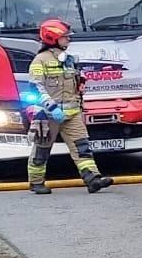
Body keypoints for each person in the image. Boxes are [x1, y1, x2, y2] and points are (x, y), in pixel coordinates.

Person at [26, 19, 113, 195]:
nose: (69, 40)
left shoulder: (69, 60)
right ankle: (36, 182)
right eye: (65, 37)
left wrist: (80, 86)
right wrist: (51, 108)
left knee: (82, 147)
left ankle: (93, 179)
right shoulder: (39, 61)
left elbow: (74, 85)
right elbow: (35, 87)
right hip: (47, 115)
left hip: (72, 114)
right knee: (41, 150)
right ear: (52, 38)